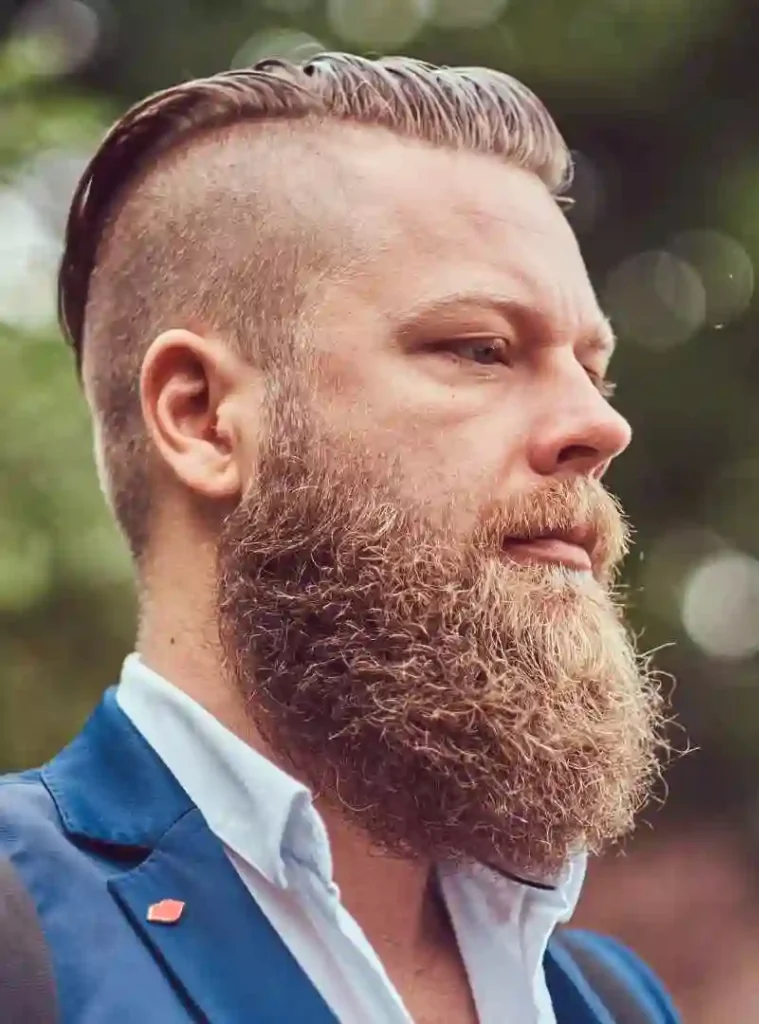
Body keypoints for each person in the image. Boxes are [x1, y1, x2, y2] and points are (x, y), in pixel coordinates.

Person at [0, 52, 679, 1023]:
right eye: (480, 349)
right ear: (201, 418)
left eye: (592, 369)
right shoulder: (22, 942)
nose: (599, 428)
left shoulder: (612, 1000)